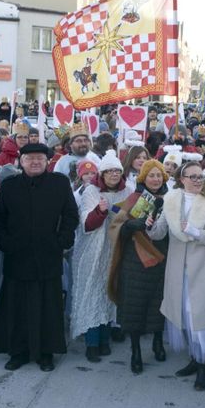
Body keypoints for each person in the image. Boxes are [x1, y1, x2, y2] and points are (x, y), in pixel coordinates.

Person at [147, 159, 205, 392]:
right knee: (185, 316)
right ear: (182, 179)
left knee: (201, 318)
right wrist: (149, 226)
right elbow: (159, 234)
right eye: (193, 177)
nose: (198, 181)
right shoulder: (171, 200)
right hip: (179, 269)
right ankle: (194, 358)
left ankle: (203, 367)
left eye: (201, 176)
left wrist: (195, 232)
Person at [0, 142, 79, 372]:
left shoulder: (59, 184)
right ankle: (18, 351)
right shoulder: (10, 186)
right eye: (30, 158)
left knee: (48, 307)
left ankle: (46, 352)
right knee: (17, 306)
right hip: (17, 255)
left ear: (47, 161)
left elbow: (71, 214)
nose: (35, 162)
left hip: (48, 255)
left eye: (40, 158)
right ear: (21, 162)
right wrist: (5, 241)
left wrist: (63, 240)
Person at [108, 159, 169, 374]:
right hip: (135, 259)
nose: (155, 179)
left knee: (159, 302)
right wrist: (131, 225)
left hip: (162, 255)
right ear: (143, 178)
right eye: (150, 175)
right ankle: (135, 351)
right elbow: (116, 229)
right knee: (135, 305)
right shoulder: (133, 199)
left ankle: (158, 341)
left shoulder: (170, 200)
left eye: (158, 175)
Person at [72, 151, 131, 362]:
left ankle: (105, 339)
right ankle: (92, 342)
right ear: (102, 173)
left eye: (117, 170)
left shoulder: (128, 191)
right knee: (92, 292)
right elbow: (86, 224)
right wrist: (100, 211)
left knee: (110, 293)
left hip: (116, 249)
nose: (114, 174)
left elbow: (133, 215)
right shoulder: (91, 191)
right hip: (94, 250)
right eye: (110, 171)